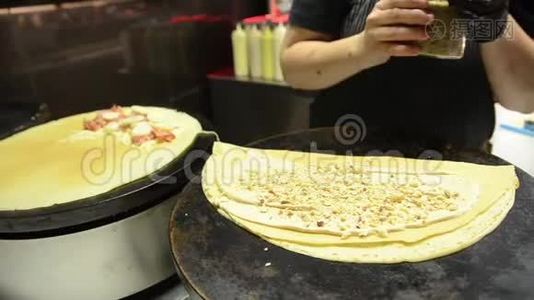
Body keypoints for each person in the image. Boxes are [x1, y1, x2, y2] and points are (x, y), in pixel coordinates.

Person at [281, 0, 534, 149]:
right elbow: (294, 70)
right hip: (346, 163)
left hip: (462, 167)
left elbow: (525, 98)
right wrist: (362, 48)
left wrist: (492, 21)